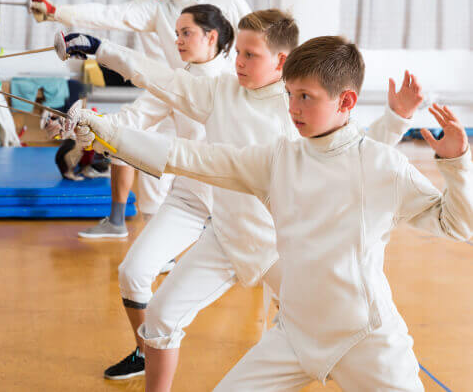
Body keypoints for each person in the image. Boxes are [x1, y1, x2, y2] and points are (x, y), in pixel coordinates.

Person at [75, 36, 472, 391]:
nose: (294, 109)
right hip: (295, 336)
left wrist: (456, 162)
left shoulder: (382, 164)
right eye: (290, 95)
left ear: (346, 101)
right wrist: (109, 133)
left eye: (306, 97)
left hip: (365, 340)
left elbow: (457, 223)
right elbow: (191, 156)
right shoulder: (279, 159)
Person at [32, 0, 250, 238]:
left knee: (205, 175)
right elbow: (110, 14)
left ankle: (209, 231)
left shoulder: (228, 0)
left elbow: (257, 42)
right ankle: (151, 236)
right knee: (145, 156)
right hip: (173, 89)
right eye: (178, 33)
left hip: (217, 104)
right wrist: (57, 13)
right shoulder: (157, 11)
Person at [70, 5, 234, 380]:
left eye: (185, 33)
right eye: (175, 33)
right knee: (133, 272)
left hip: (237, 206)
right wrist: (82, 124)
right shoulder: (175, 81)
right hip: (190, 200)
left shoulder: (234, 80)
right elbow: (131, 120)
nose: (176, 40)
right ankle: (145, 353)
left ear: (212, 36)